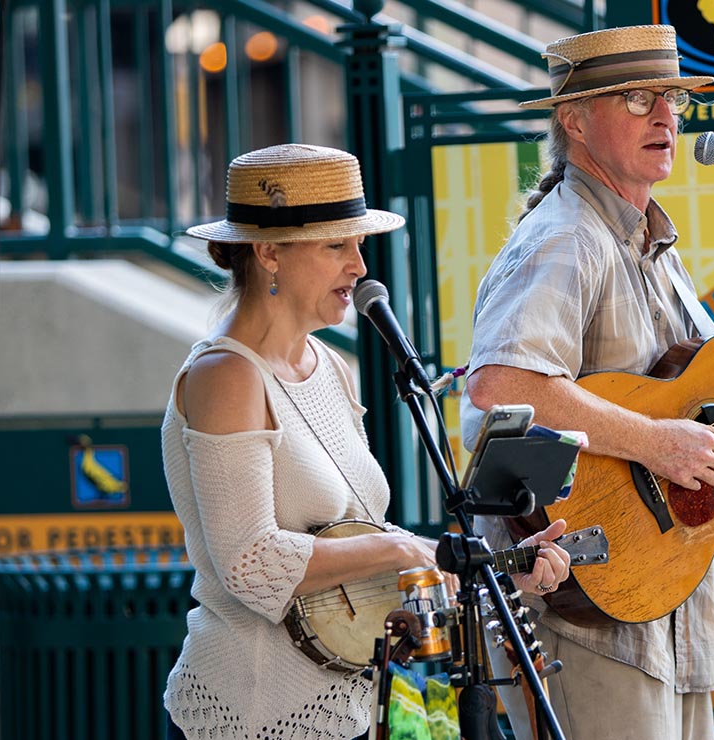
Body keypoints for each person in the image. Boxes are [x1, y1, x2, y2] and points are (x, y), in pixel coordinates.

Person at [460, 25, 714, 740]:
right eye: (636, 98)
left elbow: (697, 432)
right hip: (583, 601)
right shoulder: (566, 240)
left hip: (662, 598)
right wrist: (657, 441)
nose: (666, 116)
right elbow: (501, 384)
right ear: (573, 120)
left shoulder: (654, 247)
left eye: (674, 98)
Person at [161, 143, 571, 740]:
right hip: (250, 712)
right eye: (336, 245)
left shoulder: (330, 366)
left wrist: (495, 574)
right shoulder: (225, 376)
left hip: (355, 709)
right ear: (269, 251)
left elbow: (357, 556)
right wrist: (405, 550)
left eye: (358, 243)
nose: (360, 265)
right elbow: (250, 565)